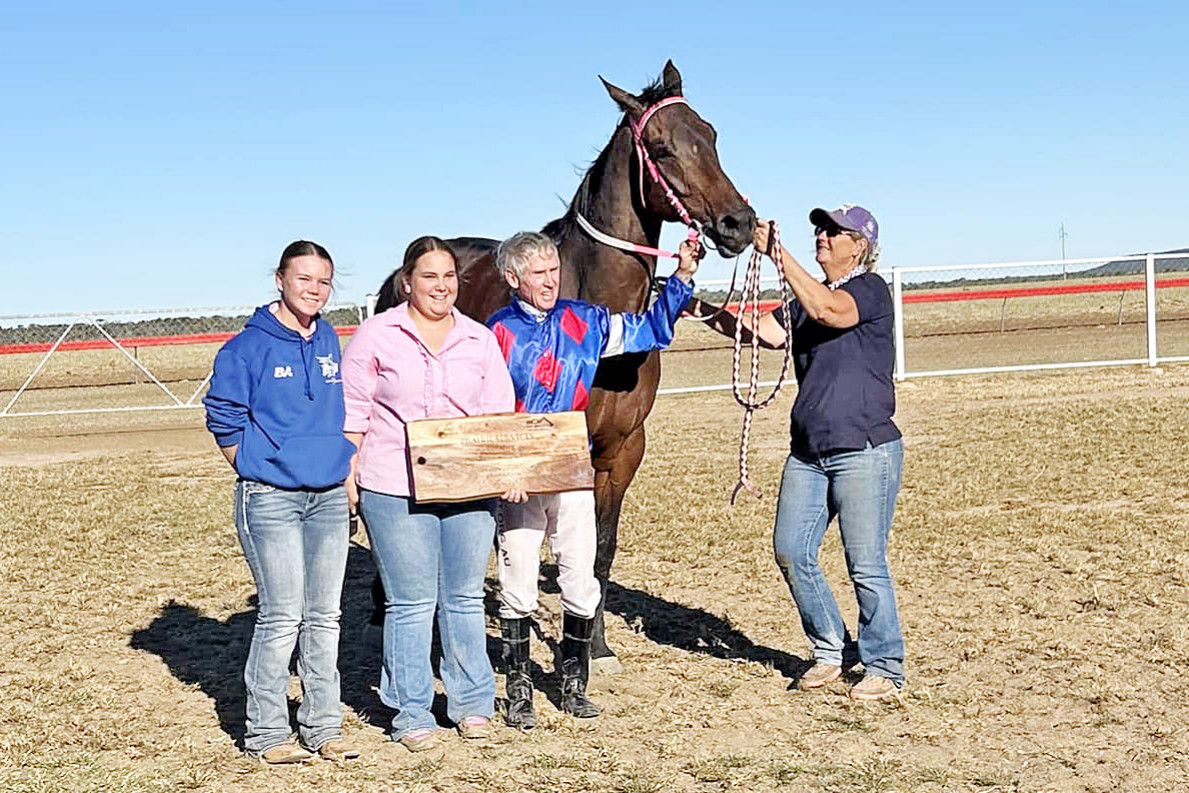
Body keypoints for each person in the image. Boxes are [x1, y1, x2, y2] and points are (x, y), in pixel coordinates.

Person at [690, 204, 905, 701]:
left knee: (865, 562)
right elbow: (763, 331)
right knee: (791, 548)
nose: (823, 236)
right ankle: (831, 649)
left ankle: (885, 665)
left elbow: (830, 311)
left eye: (834, 231)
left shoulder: (866, 292)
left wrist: (777, 253)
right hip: (809, 450)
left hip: (863, 448)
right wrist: (694, 306)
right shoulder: (808, 301)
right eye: (820, 229)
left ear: (861, 246)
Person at [486, 231, 700, 727]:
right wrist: (505, 469)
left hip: (572, 468)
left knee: (580, 577)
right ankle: (519, 689)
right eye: (537, 273)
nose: (549, 280)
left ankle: (573, 683)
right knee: (518, 579)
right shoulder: (493, 333)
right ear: (512, 278)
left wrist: (682, 278)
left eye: (553, 269)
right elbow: (483, 411)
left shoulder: (584, 321)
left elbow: (650, 331)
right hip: (520, 476)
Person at [340, 236, 518, 752]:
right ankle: (411, 711)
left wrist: (506, 470)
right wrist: (349, 478)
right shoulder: (376, 335)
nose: (440, 286)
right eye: (429, 277)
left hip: (467, 486)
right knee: (411, 602)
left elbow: (497, 414)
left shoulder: (478, 339)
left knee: (463, 598)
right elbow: (354, 413)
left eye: (448, 277)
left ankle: (472, 704)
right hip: (393, 485)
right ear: (407, 282)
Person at [203, 240, 361, 763]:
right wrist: (254, 465)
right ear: (279, 279)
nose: (314, 291)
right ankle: (267, 732)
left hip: (327, 497)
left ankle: (323, 726)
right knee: (282, 615)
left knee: (325, 617)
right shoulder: (247, 348)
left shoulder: (329, 338)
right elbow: (223, 416)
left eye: (323, 282)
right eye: (304, 280)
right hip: (270, 499)